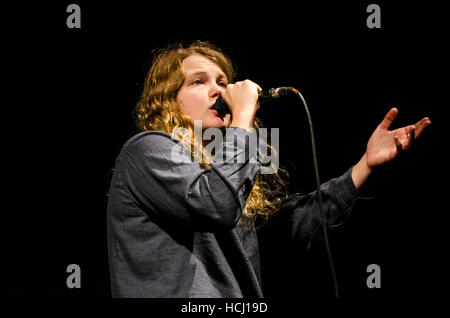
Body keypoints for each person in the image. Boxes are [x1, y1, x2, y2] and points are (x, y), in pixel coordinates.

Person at [106, 41, 431, 298]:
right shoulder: (147, 149)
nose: (218, 90)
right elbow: (215, 205)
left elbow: (288, 227)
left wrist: (366, 163)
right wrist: (244, 116)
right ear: (168, 101)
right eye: (198, 82)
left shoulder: (229, 171)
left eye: (222, 81)